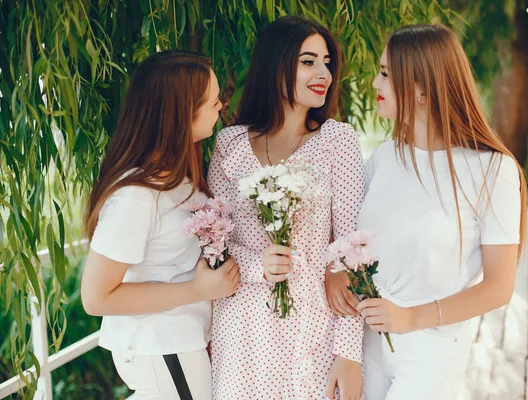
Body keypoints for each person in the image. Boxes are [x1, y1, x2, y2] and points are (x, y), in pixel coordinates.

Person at [326, 24, 528, 399]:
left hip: (432, 349)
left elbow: (499, 287)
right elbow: (347, 238)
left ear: (422, 89)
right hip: (366, 343)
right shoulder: (385, 158)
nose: (374, 83)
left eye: (386, 73)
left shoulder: (493, 171)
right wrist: (334, 271)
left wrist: (411, 317)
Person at [207, 16, 365, 400]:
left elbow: (351, 251)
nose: (323, 73)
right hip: (242, 330)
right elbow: (213, 243)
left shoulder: (338, 141)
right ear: (276, 64)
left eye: (327, 62)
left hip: (312, 329)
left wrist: (349, 354)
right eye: (308, 61)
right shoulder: (229, 145)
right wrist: (255, 264)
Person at [81, 50, 239, 400]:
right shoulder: (136, 196)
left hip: (181, 341)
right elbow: (95, 297)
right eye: (212, 102)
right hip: (161, 344)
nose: (220, 107)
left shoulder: (177, 177)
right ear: (182, 112)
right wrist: (197, 291)